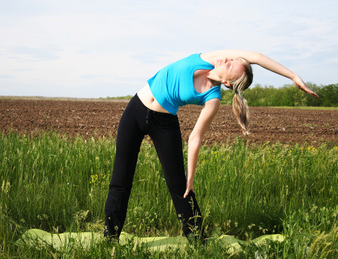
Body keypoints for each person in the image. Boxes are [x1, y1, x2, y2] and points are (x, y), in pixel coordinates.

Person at [104, 50, 318, 241]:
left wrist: (190, 177)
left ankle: (199, 243)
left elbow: (195, 137)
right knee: (120, 180)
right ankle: (110, 238)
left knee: (181, 189)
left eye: (231, 65)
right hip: (135, 111)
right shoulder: (210, 58)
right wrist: (293, 76)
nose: (227, 60)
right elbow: (259, 57)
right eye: (231, 60)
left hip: (164, 123)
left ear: (228, 82)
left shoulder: (213, 98)